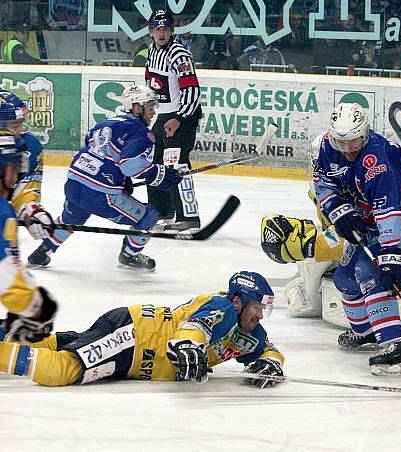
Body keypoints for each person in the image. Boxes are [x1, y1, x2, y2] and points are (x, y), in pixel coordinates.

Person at [309, 103, 401, 376]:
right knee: (344, 279)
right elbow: (323, 183)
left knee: (372, 272)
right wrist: (341, 213)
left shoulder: (376, 159)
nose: (347, 148)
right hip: (369, 221)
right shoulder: (327, 148)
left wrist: (390, 259)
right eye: (341, 141)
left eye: (353, 141)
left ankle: (396, 346)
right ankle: (368, 333)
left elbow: (389, 210)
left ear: (364, 134)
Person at [0, 271, 283, 389]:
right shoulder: (222, 307)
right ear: (238, 301)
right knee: (64, 369)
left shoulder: (250, 334)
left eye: (263, 309)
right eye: (256, 307)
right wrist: (186, 346)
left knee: (60, 344)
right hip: (135, 336)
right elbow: (195, 328)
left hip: (133, 353)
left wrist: (270, 363)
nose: (260, 315)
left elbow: (269, 349)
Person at [27, 85, 182, 272]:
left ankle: (43, 251)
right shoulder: (141, 132)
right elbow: (130, 165)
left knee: (72, 216)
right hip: (101, 195)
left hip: (75, 182)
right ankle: (129, 256)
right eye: (149, 106)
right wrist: (160, 174)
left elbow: (94, 149)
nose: (153, 111)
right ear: (136, 107)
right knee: (149, 215)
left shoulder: (104, 124)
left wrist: (121, 180)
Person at [145, 9, 202, 231]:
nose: (162, 33)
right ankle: (162, 211)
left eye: (166, 29)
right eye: (158, 29)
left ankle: (189, 216)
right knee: (156, 163)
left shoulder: (179, 54)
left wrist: (179, 118)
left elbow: (192, 90)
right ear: (151, 31)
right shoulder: (151, 50)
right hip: (161, 116)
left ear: (171, 31)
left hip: (182, 118)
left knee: (176, 164)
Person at [0, 125, 57, 344]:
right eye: (16, 167)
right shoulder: (2, 212)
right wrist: (37, 308)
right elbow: (7, 277)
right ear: (7, 171)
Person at [0, 89, 55, 242]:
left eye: (21, 124)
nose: (21, 131)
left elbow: (24, 188)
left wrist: (30, 210)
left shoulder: (28, 147)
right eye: (15, 126)